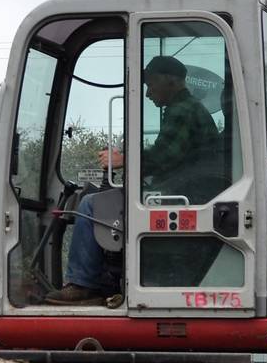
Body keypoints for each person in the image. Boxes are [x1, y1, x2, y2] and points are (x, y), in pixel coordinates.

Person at [46, 55, 222, 305]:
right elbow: (173, 158)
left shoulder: (182, 110)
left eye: (151, 84)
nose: (148, 93)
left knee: (89, 205)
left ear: (170, 81)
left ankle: (83, 283)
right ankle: (106, 278)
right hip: (187, 187)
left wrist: (122, 159)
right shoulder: (188, 108)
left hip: (182, 192)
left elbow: (163, 156)